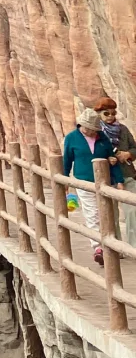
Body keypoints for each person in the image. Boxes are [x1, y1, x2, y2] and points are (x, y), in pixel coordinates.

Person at [62, 107, 123, 264]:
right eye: (90, 129)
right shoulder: (71, 138)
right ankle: (98, 248)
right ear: (82, 125)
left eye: (95, 129)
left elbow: (112, 157)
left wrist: (120, 180)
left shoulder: (102, 137)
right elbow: (67, 160)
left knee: (108, 213)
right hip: (84, 181)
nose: (93, 132)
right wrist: (64, 180)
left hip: (106, 181)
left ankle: (110, 244)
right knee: (93, 213)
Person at [94, 96, 136, 247]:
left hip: (127, 175)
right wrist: (107, 158)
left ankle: (134, 247)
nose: (111, 116)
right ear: (99, 113)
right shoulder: (95, 132)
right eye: (107, 113)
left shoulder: (123, 129)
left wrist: (128, 154)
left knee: (133, 212)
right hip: (107, 177)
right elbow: (88, 153)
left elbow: (134, 147)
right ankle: (115, 248)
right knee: (110, 215)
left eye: (113, 113)